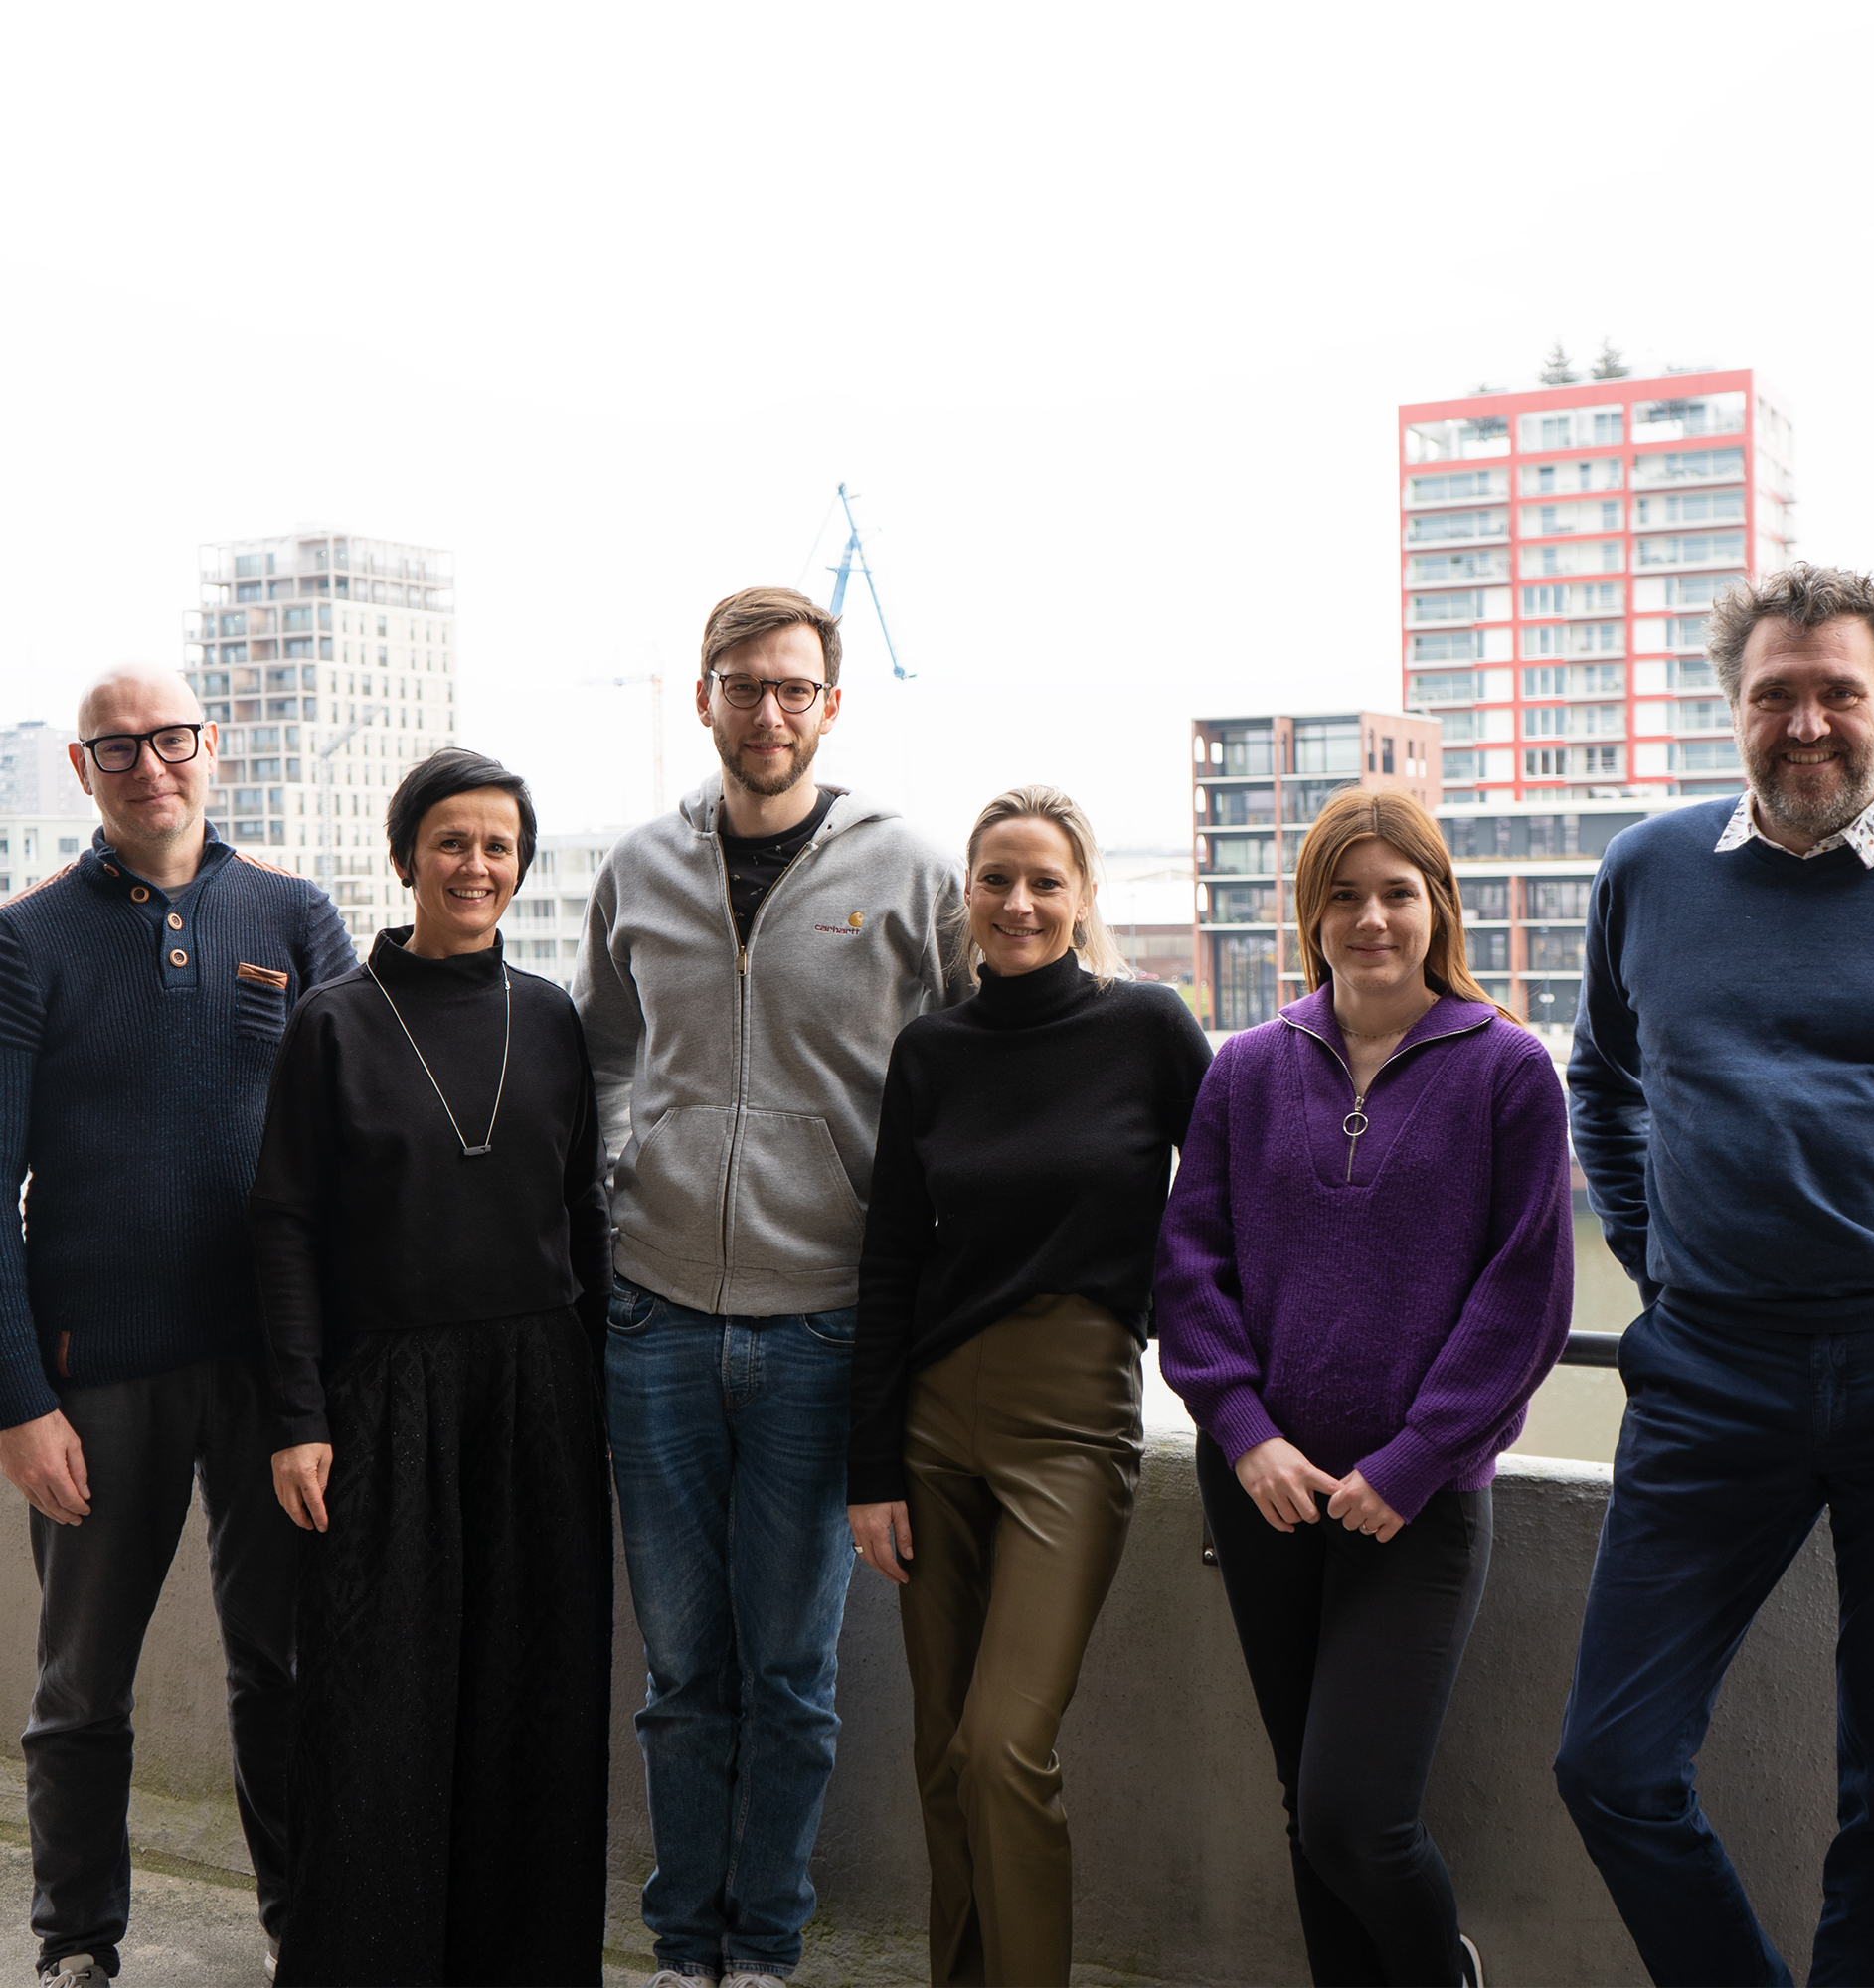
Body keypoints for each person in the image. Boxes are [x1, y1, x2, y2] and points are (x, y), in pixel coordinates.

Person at [1554, 564, 1874, 1986]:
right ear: (1732, 712)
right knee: (1609, 1763)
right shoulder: (1649, 870)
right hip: (1713, 1366)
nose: (1807, 724)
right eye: (1774, 696)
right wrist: (1655, 1263)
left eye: (1837, 694)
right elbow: (1602, 1083)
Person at [572, 586, 969, 1988]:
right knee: (684, 1681)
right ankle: (686, 1950)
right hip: (656, 1321)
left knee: (793, 1681)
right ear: (704, 699)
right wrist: (625, 1185)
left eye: (795, 689)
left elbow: (976, 1063)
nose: (769, 713)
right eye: (743, 686)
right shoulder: (639, 867)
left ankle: (769, 1951)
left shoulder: (913, 873)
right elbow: (604, 1057)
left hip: (824, 1330)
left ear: (831, 706)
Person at [1156, 786, 1572, 1988]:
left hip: (1414, 1500)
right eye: (1343, 893)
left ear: (1436, 904)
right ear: (1311, 913)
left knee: (1354, 1814)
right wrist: (1242, 1434)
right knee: (1305, 1808)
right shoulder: (1244, 1067)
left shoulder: (1506, 1070)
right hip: (1265, 1490)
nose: (1370, 917)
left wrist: (1412, 1458)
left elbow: (1524, 1295)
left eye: (1396, 891)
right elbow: (1187, 1266)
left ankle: (1439, 1970)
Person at [0, 665, 355, 1988]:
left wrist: (337, 1379)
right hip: (95, 1376)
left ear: (214, 746)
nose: (150, 764)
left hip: (273, 1371)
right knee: (80, 1690)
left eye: (172, 739)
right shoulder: (27, 940)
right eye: (117, 746)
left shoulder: (296, 915)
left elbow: (355, 1155)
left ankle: (304, 1928)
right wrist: (17, 1399)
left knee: (288, 1667)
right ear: (85, 769)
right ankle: (78, 1942)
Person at [250, 747, 614, 1987]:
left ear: (520, 866)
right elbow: (285, 1225)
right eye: (451, 842)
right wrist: (298, 1415)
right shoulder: (333, 1022)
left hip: (538, 1394)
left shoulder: (552, 1018)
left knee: (533, 1700)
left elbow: (585, 1219)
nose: (476, 865)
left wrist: (600, 1389)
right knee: (375, 1711)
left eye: (498, 845)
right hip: (383, 1396)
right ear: (404, 858)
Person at [846, 784, 1211, 1988]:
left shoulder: (1147, 1025)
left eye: (1043, 880)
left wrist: (1218, 1367)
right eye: (996, 879)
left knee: (1005, 1743)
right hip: (932, 1421)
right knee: (943, 1754)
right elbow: (891, 1257)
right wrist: (871, 1469)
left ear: (1081, 896)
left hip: (1075, 1420)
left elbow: (1222, 1213)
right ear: (969, 898)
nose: (1017, 901)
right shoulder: (932, 1049)